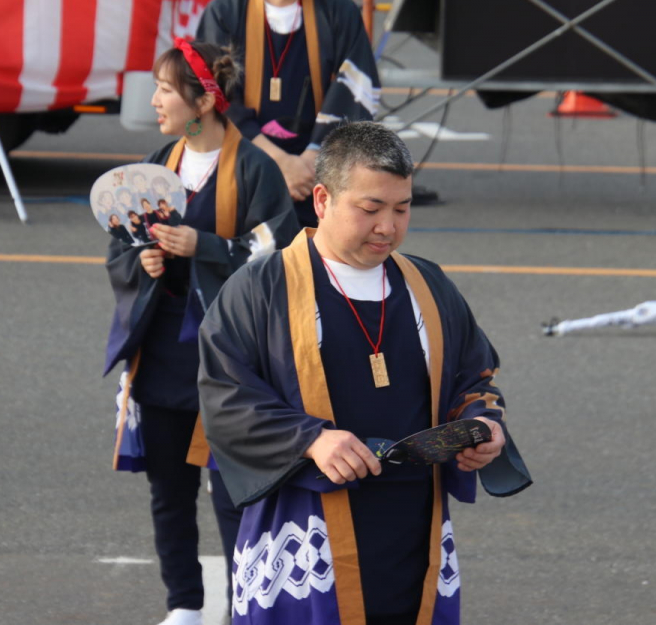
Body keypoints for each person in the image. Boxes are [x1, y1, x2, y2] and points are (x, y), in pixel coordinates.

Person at [198, 122, 531, 625]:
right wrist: (310, 439)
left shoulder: (428, 284)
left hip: (413, 520)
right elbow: (224, 395)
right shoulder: (261, 287)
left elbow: (474, 375)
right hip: (305, 522)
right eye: (370, 209)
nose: (388, 227)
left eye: (402, 208)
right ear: (322, 199)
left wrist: (482, 424)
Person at [103, 38, 300, 625]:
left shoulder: (256, 169)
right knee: (169, 490)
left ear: (204, 99)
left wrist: (206, 247)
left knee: (237, 492)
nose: (156, 99)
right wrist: (143, 262)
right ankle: (184, 605)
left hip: (228, 359)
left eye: (166, 88)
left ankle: (246, 607)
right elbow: (118, 246)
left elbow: (283, 252)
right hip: (162, 352)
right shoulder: (156, 163)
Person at [197, 0, 381, 229]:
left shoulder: (339, 12)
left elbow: (356, 89)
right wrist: (280, 162)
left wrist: (311, 161)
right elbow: (214, 97)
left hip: (320, 175)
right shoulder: (225, 13)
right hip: (245, 167)